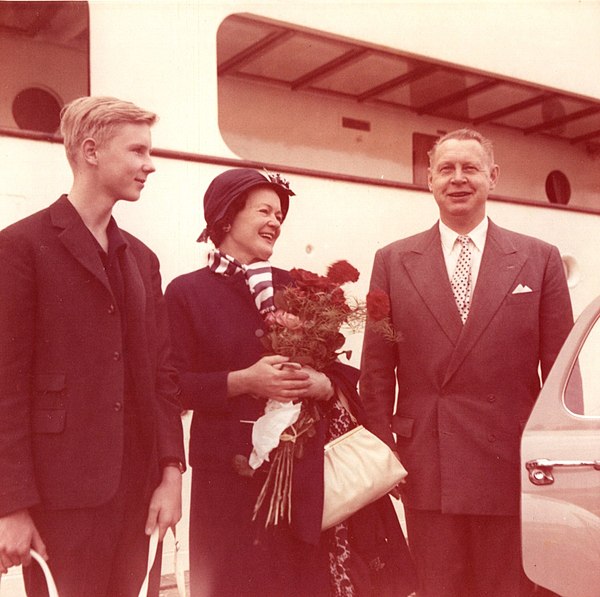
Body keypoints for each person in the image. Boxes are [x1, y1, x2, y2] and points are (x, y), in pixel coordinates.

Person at [165, 167, 415, 597]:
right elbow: (174, 385)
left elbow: (337, 367)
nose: (276, 222)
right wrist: (243, 381)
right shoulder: (186, 292)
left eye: (280, 214)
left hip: (300, 471)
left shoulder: (294, 286)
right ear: (226, 217)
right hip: (227, 478)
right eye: (264, 210)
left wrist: (323, 382)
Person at [359, 128, 574, 597]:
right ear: (429, 181)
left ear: (492, 177)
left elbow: (561, 373)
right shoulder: (392, 262)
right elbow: (376, 369)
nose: (458, 179)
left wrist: (556, 457)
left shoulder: (538, 259)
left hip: (508, 463)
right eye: (446, 169)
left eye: (470, 168)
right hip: (426, 464)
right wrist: (382, 453)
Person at [0, 96, 185, 597]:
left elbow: (161, 378)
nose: (150, 165)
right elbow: (5, 386)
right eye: (138, 150)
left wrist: (171, 474)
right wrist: (10, 506)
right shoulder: (20, 246)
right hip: (60, 499)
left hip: (136, 492)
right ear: (91, 151)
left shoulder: (142, 259)